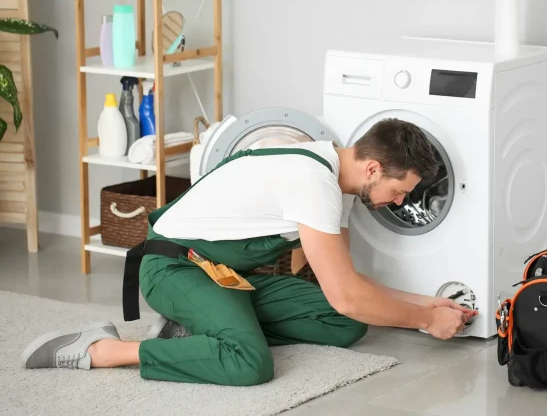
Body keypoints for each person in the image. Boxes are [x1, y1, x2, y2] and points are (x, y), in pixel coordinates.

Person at [21, 118, 478, 385]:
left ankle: (196, 332)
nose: (399, 202)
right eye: (400, 191)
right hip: (172, 268)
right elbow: (346, 292)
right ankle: (102, 350)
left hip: (217, 273)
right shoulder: (312, 180)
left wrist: (427, 302)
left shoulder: (332, 180)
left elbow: (348, 290)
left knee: (348, 323)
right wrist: (423, 322)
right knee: (248, 363)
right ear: (374, 168)